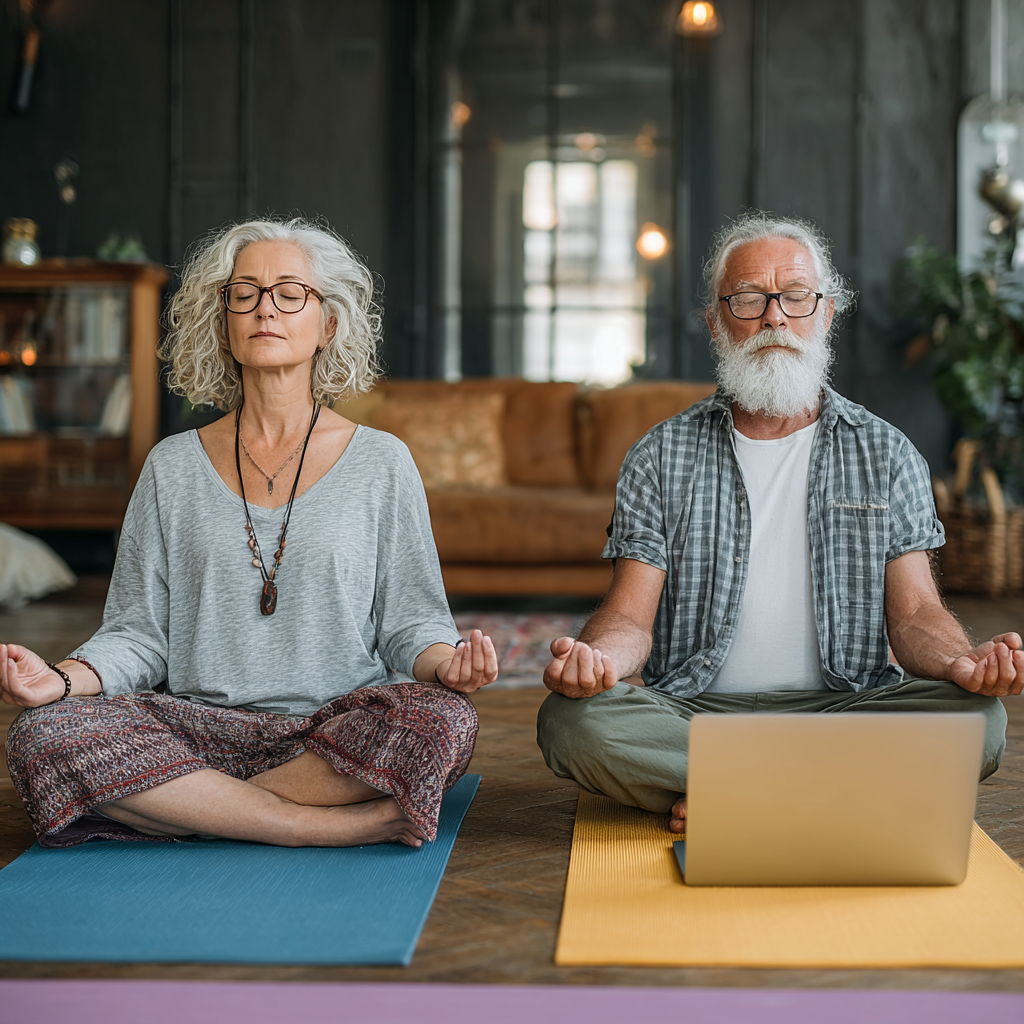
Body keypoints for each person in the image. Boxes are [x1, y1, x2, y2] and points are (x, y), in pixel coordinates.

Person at [2, 217, 498, 850]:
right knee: (42, 735)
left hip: (336, 727)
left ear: (330, 323)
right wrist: (61, 681)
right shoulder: (171, 465)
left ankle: (194, 804)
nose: (266, 308)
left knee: (443, 721)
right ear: (225, 322)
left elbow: (410, 622)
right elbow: (137, 634)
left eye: (290, 292)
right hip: (193, 726)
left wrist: (448, 665)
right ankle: (307, 824)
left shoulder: (383, 461)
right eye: (246, 293)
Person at [537, 211, 1022, 834]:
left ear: (825, 313)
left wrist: (963, 662)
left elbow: (915, 616)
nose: (774, 317)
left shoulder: (886, 452)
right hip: (693, 714)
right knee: (571, 721)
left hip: (847, 711)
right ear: (717, 322)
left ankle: (733, 794)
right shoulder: (660, 454)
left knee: (979, 722)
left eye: (794, 297)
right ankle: (823, 796)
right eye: (748, 299)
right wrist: (596, 659)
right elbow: (630, 616)